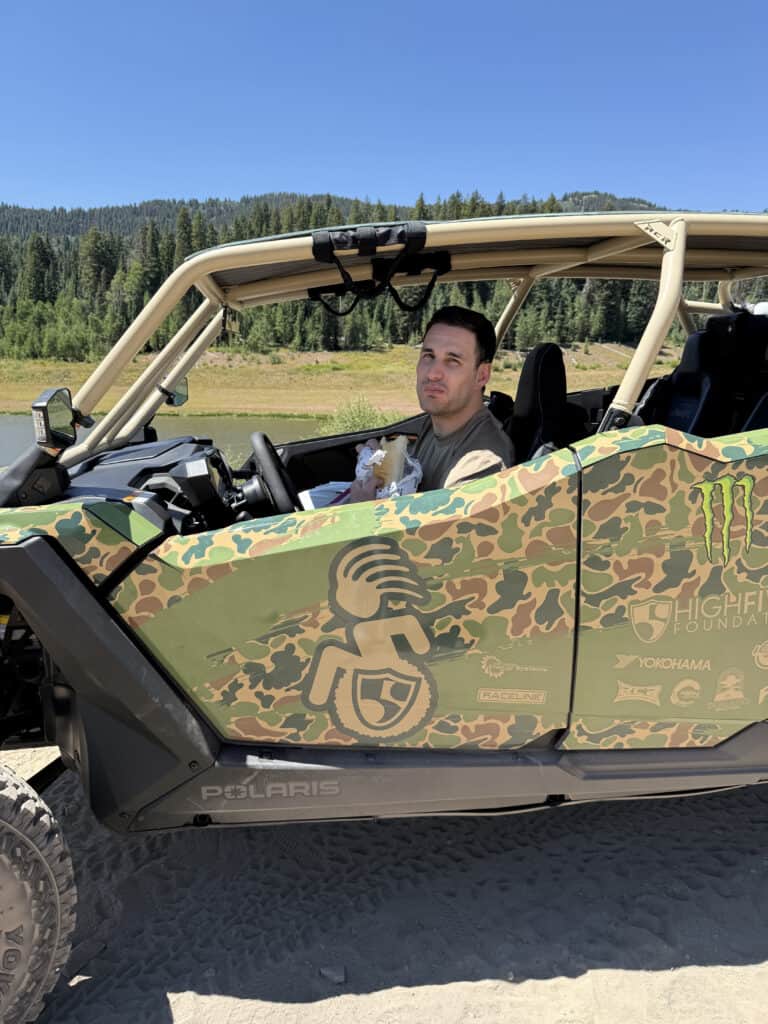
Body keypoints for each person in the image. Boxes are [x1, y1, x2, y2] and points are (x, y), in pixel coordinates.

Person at [349, 305, 514, 501]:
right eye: (429, 356)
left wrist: (362, 508)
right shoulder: (434, 423)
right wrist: (382, 467)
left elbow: (444, 522)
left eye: (452, 361)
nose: (433, 373)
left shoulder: (481, 466)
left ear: (482, 375)